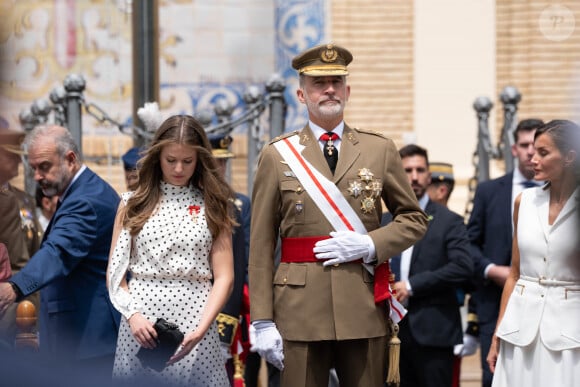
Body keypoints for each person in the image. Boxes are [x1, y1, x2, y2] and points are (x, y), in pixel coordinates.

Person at [248, 42, 428, 387]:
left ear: (348, 90)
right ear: (301, 94)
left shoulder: (379, 149)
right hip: (298, 307)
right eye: (319, 83)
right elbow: (261, 245)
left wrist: (369, 245)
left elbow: (413, 218)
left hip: (361, 300)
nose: (329, 89)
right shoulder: (277, 155)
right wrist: (262, 320)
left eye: (336, 81)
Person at [107, 115, 235, 386]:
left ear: (199, 160)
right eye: (170, 160)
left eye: (187, 161)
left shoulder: (214, 204)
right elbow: (115, 272)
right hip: (142, 322)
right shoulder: (131, 204)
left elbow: (224, 276)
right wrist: (132, 315)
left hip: (197, 318)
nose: (178, 168)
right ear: (157, 157)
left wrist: (202, 329)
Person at [0, 124, 121, 385]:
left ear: (70, 159)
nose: (37, 176)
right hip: (82, 338)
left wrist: (13, 288)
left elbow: (57, 252)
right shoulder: (83, 191)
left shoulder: (85, 201)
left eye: (44, 166)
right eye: (33, 168)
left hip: (88, 341)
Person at [486, 119, 580, 386]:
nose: (532, 158)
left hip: (570, 335)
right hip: (519, 329)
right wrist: (498, 334)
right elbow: (514, 275)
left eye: (543, 152)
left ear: (570, 157)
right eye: (532, 151)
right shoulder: (524, 202)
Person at [381, 144, 473, 387]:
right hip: (388, 331)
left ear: (428, 175)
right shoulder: (384, 221)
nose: (414, 176)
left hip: (433, 331)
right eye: (407, 170)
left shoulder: (448, 221)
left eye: (420, 170)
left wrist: (411, 286)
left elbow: (463, 266)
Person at [466, 118, 545, 387]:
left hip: (546, 306)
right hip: (495, 302)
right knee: (495, 377)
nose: (531, 152)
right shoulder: (488, 191)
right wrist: (491, 270)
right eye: (525, 145)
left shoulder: (561, 193)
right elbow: (469, 243)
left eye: (537, 146)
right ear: (514, 149)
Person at [208, 132, 252, 385]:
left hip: (229, 301)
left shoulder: (237, 204)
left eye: (223, 162)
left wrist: (231, 316)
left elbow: (242, 259)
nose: (219, 168)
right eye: (215, 161)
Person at [0, 125, 41, 349]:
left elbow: (26, 260)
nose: (18, 161)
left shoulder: (20, 200)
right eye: (11, 154)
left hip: (19, 306)